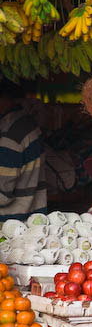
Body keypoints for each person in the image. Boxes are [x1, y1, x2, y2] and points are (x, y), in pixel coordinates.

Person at [0, 81, 46, 224]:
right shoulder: (26, 124)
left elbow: (3, 194)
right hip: (31, 219)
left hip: (13, 227)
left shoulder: (12, 134)